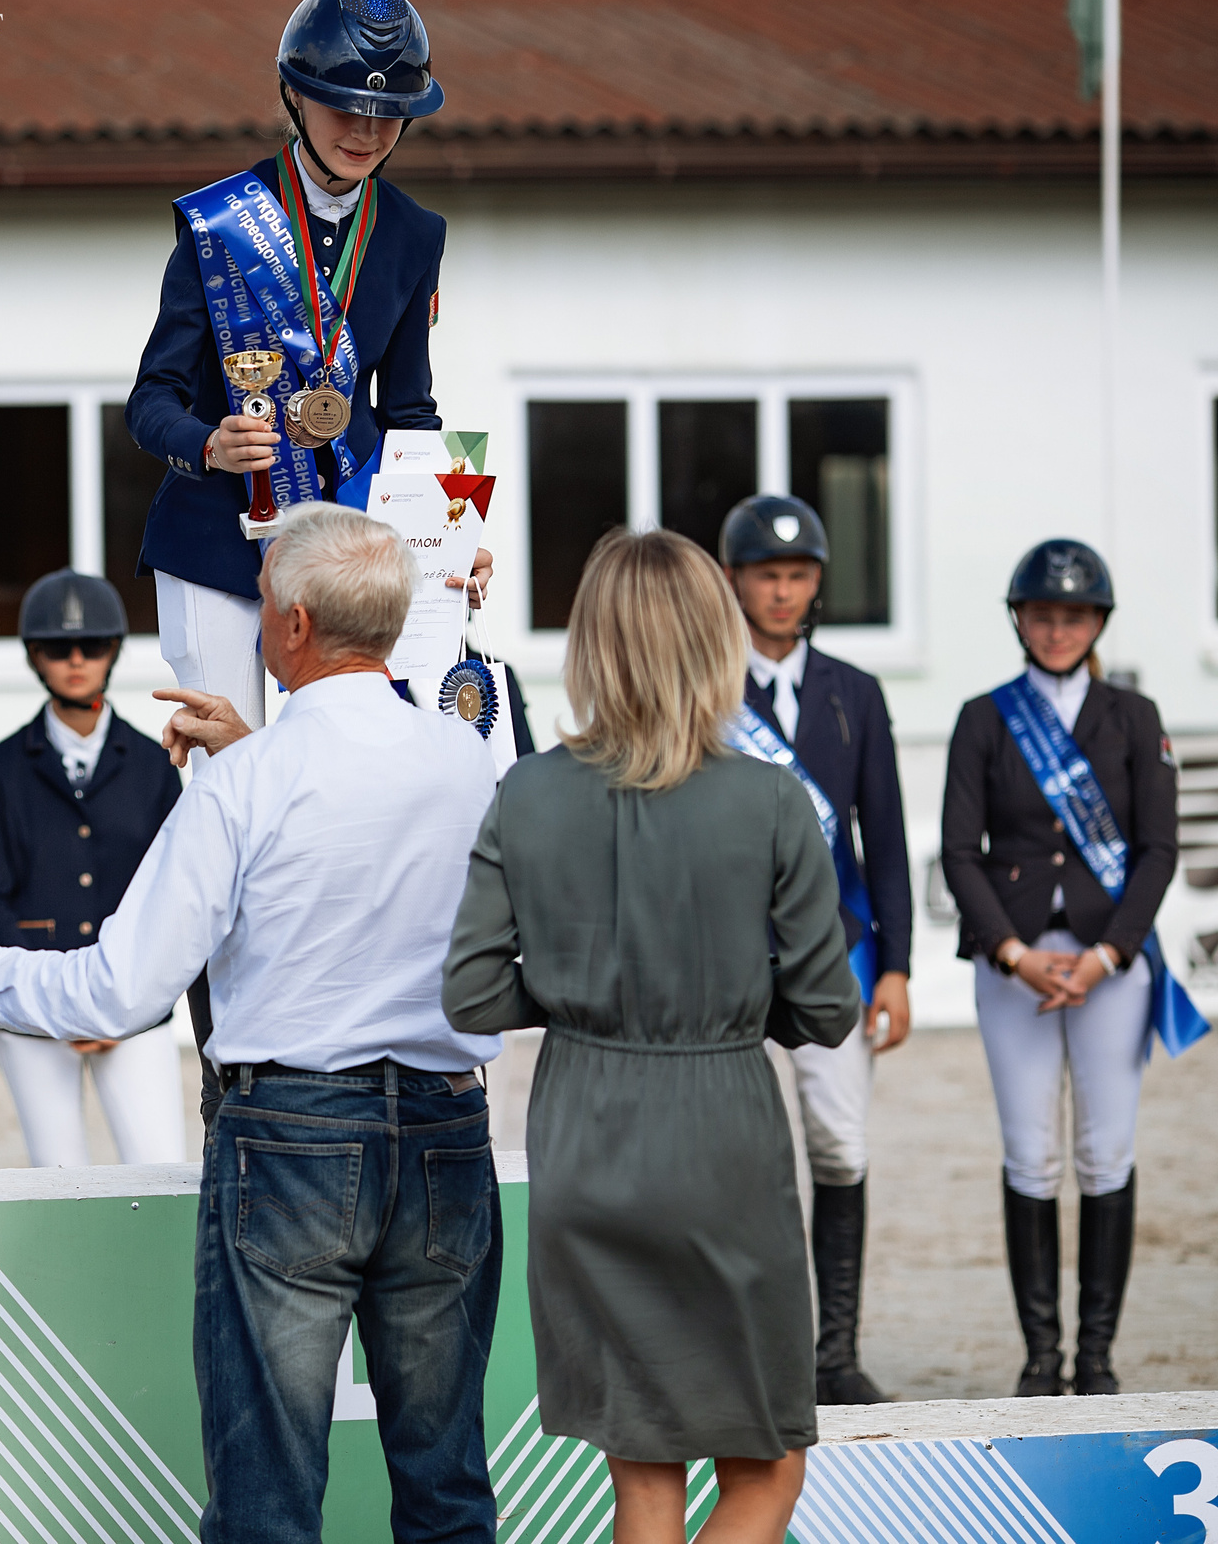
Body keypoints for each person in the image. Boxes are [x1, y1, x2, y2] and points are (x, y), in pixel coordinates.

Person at [0, 506, 503, 1544]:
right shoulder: (463, 761)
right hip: (445, 1126)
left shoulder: (247, 783)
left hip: (296, 1133)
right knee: (445, 1482)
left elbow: (120, 992)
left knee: (266, 1489)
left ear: (294, 625)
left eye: (262, 602)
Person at [444, 528, 858, 1544]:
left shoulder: (527, 791)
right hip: (722, 1133)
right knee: (765, 1470)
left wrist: (587, 994)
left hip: (585, 1129)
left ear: (592, 644)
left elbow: (470, 994)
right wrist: (718, 994)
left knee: (644, 1475)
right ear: (713, 639)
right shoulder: (769, 801)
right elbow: (827, 1009)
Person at [126, 0, 486, 735]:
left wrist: (451, 534)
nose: (366, 131)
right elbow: (152, 400)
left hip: (342, 546)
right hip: (217, 541)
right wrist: (211, 444)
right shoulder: (222, 220)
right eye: (345, 108)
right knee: (234, 761)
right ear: (294, 94)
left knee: (344, 765)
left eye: (389, 115)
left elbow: (411, 411)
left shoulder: (416, 234)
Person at [939, 539, 1193, 1397]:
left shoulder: (1133, 713)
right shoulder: (983, 716)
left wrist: (1109, 953)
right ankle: (1041, 1358)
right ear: (1020, 618)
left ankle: (1097, 1356)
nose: (1057, 628)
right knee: (1029, 1155)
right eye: (1043, 613)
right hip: (1015, 966)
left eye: (1073, 615)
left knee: (1104, 1152)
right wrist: (1011, 952)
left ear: (1097, 623)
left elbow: (1159, 849)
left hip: (1108, 966)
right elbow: (959, 851)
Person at [718, 495, 913, 1407]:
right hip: (726, 960)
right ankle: (759, 1348)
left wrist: (902, 966)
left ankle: (836, 1352)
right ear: (735, 579)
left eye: (799, 575)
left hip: (835, 957)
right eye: (768, 573)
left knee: (839, 1147)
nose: (784, 590)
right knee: (745, 1161)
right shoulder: (705, 687)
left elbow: (886, 833)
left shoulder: (856, 693)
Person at [0, 569, 186, 1167]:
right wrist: (56, 1002)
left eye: (92, 646)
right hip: (34, 1006)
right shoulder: (2, 767)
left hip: (132, 1005)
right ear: (34, 656)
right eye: (57, 648)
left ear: (114, 652)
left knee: (159, 1166)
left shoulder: (154, 764)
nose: (75, 660)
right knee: (56, 1174)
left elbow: (173, 895)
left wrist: (122, 998)